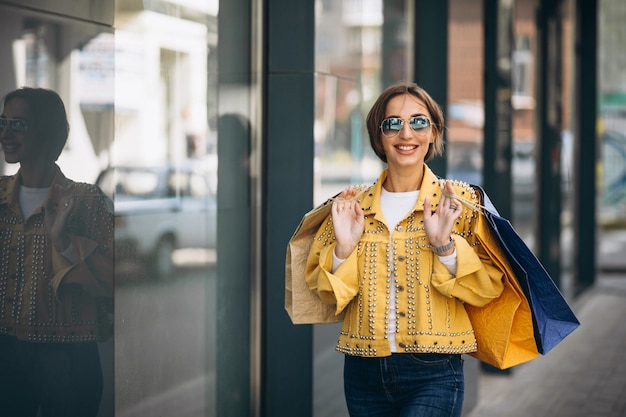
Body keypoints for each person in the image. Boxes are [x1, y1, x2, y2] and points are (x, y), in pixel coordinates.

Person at [305, 82, 505, 417]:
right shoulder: (350, 207)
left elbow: (489, 288)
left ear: (434, 132)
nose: (406, 133)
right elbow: (327, 296)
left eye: (418, 121)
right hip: (363, 370)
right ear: (378, 136)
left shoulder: (461, 203)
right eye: (393, 123)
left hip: (435, 370)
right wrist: (343, 248)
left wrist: (445, 247)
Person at [0, 87, 113, 417]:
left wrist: (64, 241)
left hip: (67, 359)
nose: (5, 133)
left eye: (18, 124)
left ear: (47, 131)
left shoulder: (88, 201)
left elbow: (117, 283)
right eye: (3, 122)